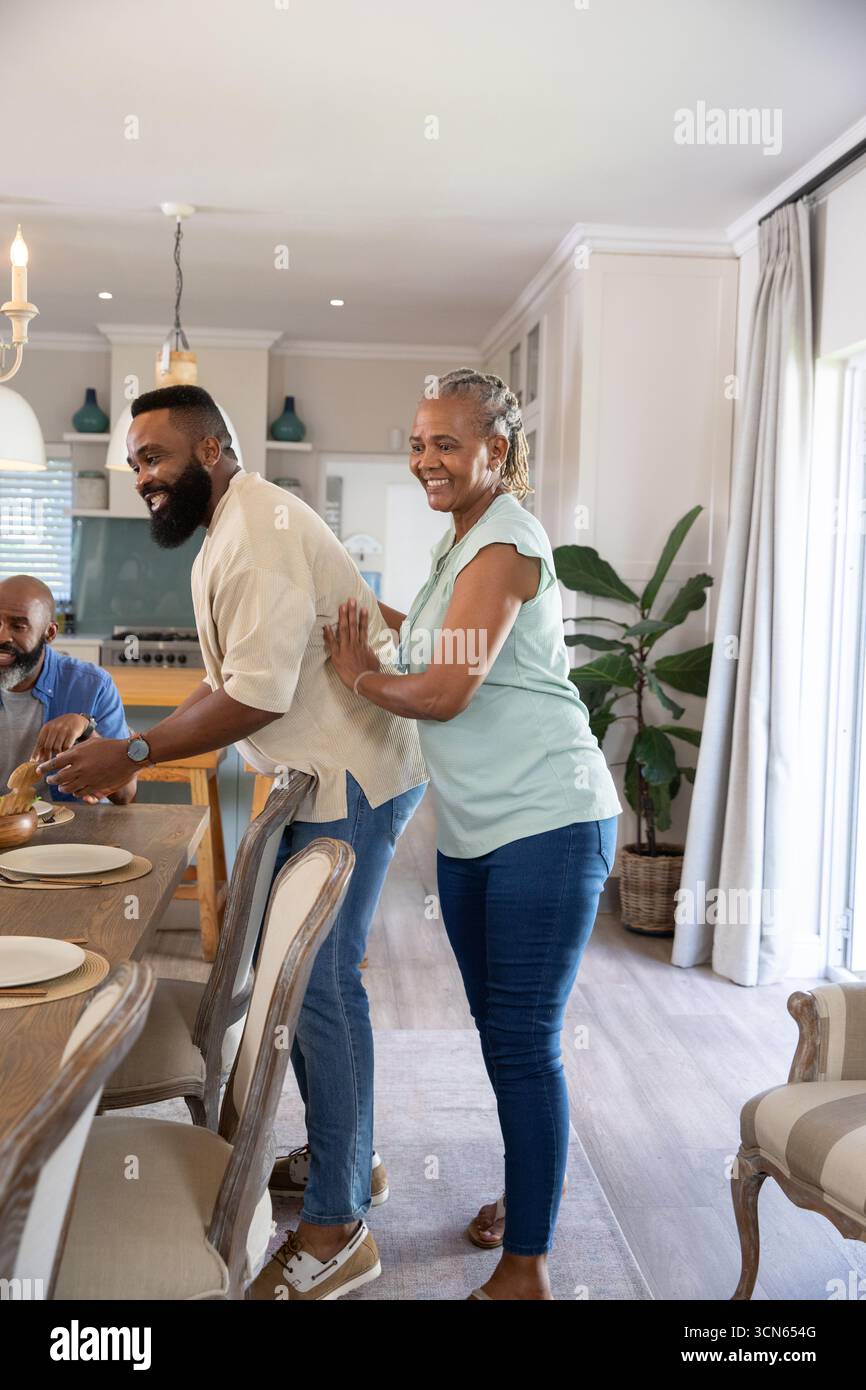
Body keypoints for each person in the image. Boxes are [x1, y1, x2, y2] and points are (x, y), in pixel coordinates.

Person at [38, 384, 426, 1302]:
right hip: (324, 775)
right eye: (133, 463)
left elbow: (255, 696)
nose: (141, 477)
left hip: (352, 778)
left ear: (212, 450)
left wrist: (129, 748)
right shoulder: (234, 526)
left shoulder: (258, 534)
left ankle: (336, 1230)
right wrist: (132, 746)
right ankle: (351, 1159)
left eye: (156, 458)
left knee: (318, 990)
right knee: (313, 983)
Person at [324, 368, 622, 1301]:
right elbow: (442, 648)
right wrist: (364, 609)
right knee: (503, 1036)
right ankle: (527, 1196)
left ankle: (527, 1265)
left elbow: (445, 694)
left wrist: (356, 677)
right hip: (480, 834)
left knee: (525, 1039)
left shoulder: (504, 540)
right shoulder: (461, 545)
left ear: (497, 451)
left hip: (550, 821)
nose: (426, 460)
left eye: (446, 443)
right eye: (418, 442)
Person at [0, 573, 135, 805]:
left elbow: (125, 795)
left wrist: (85, 730)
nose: (2, 636)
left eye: (18, 626)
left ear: (50, 633)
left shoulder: (92, 685)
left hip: (75, 828)